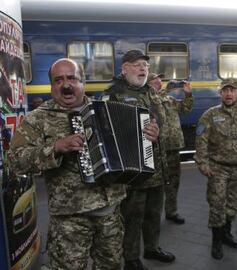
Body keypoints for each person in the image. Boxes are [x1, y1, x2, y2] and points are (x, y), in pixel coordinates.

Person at [8, 58, 144, 269]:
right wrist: (54, 148)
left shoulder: (106, 111)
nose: (66, 85)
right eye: (58, 80)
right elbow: (15, 161)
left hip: (110, 214)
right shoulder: (38, 119)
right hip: (69, 221)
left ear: (83, 83)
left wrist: (147, 138)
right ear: (52, 86)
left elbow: (133, 146)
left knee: (110, 266)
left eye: (72, 78)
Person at [101, 50, 175, 270]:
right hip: (133, 170)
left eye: (145, 65)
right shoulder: (113, 94)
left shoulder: (151, 93)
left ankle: (152, 248)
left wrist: (157, 129)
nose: (143, 68)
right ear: (124, 69)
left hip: (156, 168)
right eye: (137, 64)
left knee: (154, 213)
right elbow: (106, 130)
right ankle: (131, 258)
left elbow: (160, 119)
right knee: (132, 216)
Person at [194, 78, 237, 259]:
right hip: (217, 169)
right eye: (225, 90)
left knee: (233, 204)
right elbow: (201, 141)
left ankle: (226, 234)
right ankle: (216, 241)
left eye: (232, 90)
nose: (229, 94)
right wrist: (203, 164)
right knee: (217, 205)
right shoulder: (210, 115)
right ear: (220, 93)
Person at [148, 73, 194, 224]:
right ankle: (153, 216)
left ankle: (172, 211)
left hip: (173, 146)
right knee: (156, 184)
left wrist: (188, 94)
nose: (159, 82)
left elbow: (186, 109)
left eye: (160, 80)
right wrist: (167, 89)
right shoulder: (148, 99)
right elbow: (155, 97)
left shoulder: (170, 100)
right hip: (156, 148)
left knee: (173, 181)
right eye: (155, 80)